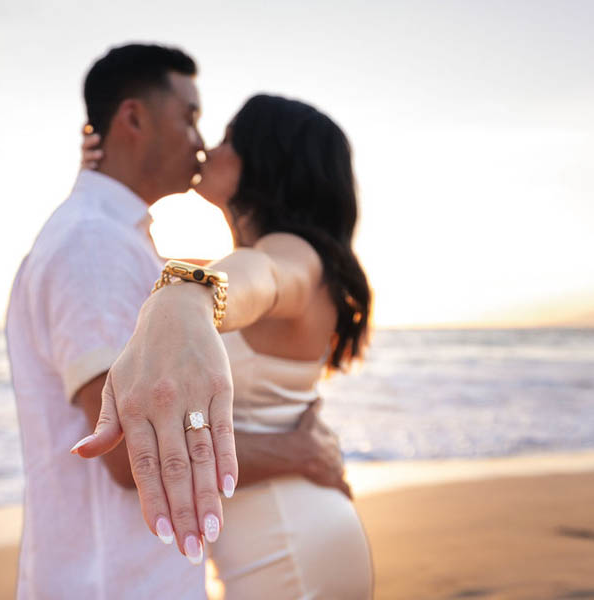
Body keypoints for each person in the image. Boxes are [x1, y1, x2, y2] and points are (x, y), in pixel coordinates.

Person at [5, 44, 353, 599]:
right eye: (191, 118)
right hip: (111, 581)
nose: (201, 144)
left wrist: (189, 293)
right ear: (134, 119)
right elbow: (122, 450)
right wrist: (296, 453)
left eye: (214, 132)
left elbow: (258, 278)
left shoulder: (113, 238)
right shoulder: (93, 242)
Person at [78, 94, 375, 597]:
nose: (210, 150)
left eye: (229, 140)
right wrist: (104, 180)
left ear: (267, 162)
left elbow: (265, 277)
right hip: (292, 536)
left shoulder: (292, 253)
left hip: (287, 551)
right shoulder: (272, 256)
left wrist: (188, 299)